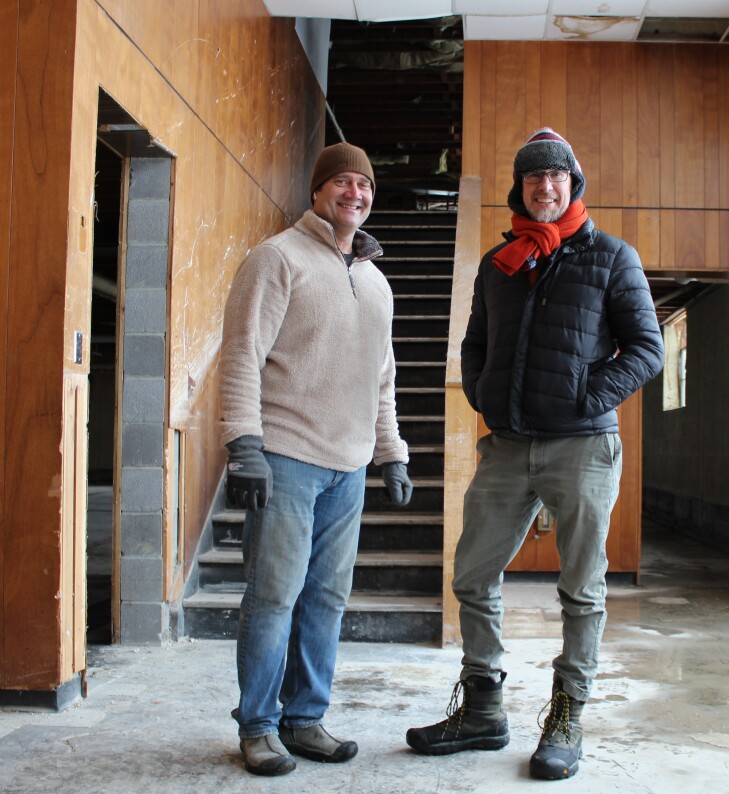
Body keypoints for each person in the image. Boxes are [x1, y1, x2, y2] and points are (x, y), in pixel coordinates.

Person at [406, 128, 663, 781]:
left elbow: (646, 349)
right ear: (519, 189)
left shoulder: (611, 256)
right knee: (472, 575)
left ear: (572, 184)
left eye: (555, 176)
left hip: (582, 444)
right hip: (509, 445)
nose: (544, 187)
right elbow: (474, 343)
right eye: (531, 178)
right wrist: (483, 394)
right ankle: (484, 711)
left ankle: (567, 714)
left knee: (580, 587)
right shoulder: (502, 265)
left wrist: (585, 397)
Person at [219, 142, 413, 777]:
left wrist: (392, 454)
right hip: (286, 455)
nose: (354, 194)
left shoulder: (377, 281)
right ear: (317, 190)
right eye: (342, 182)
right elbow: (243, 354)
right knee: (273, 595)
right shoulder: (276, 258)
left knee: (327, 597)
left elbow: (381, 378)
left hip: (349, 466)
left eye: (365, 185)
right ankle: (258, 726)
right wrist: (244, 444)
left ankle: (305, 719)